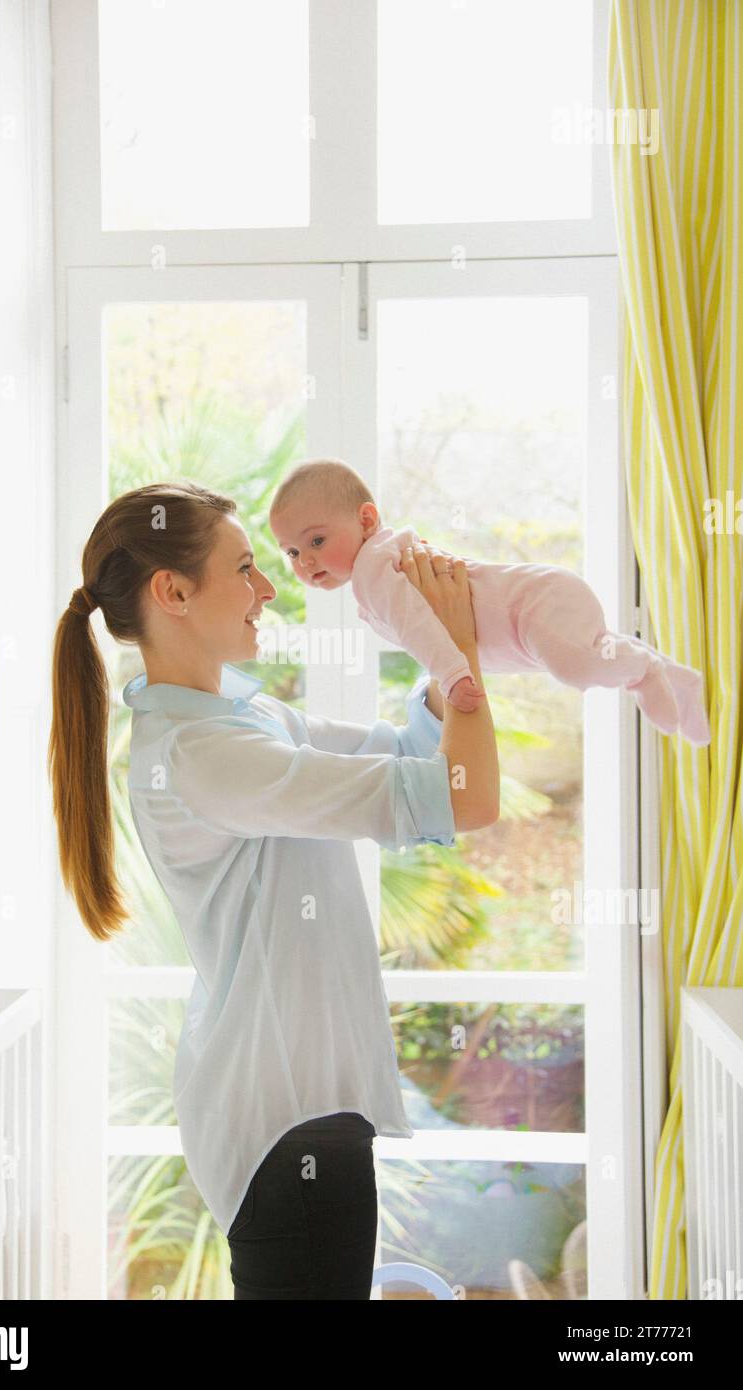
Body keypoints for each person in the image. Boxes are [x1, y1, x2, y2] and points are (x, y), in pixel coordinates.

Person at [48, 479, 500, 1300]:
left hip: (306, 1105)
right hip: (283, 1120)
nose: (267, 590)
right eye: (247, 568)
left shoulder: (248, 723)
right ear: (173, 592)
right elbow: (465, 797)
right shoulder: (203, 755)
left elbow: (413, 749)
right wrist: (457, 649)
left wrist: (439, 649)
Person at [269, 457, 711, 745]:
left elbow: (417, 624)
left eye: (317, 540)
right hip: (530, 621)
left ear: (366, 520)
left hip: (536, 605)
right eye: (291, 552)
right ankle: (680, 679)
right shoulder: (381, 564)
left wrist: (453, 673)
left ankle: (645, 670)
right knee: (591, 652)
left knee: (576, 666)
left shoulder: (374, 570)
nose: (305, 561)